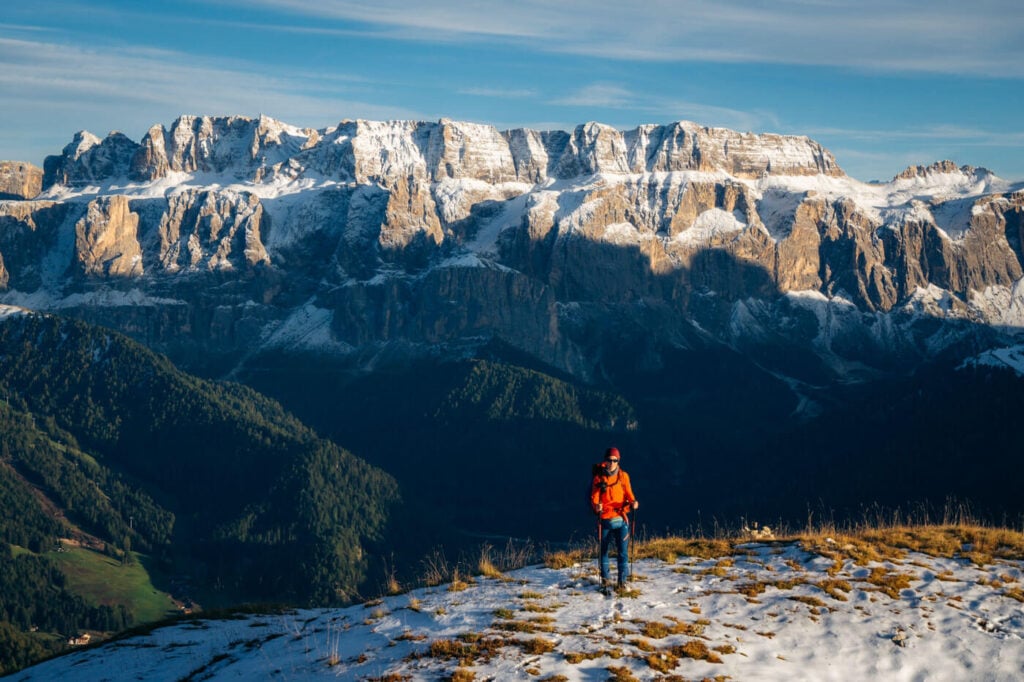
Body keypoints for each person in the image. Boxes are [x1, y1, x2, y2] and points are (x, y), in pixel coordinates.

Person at [590, 446, 638, 590]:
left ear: (618, 461)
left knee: (622, 551)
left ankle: (621, 582)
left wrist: (634, 502)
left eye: (614, 460)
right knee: (603, 551)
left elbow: (629, 494)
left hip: (620, 518)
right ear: (605, 461)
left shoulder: (624, 477)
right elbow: (595, 497)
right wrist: (596, 505)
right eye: (609, 460)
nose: (611, 463)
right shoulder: (598, 478)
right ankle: (605, 580)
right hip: (605, 518)